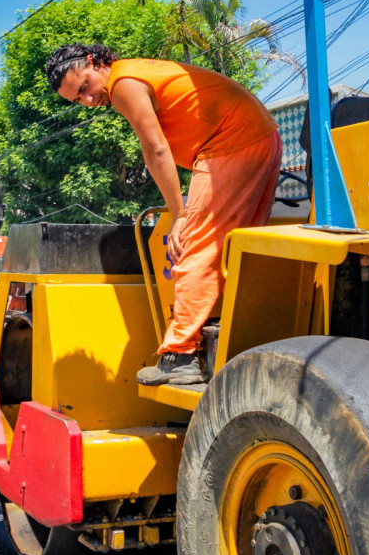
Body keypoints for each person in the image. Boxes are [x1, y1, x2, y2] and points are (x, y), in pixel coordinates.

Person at [45, 43, 281, 386]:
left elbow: (155, 149)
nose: (88, 101)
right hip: (262, 137)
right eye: (77, 100)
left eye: (83, 88)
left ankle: (180, 354)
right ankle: (243, 335)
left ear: (96, 63)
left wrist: (180, 215)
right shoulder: (137, 68)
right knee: (238, 250)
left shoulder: (123, 83)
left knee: (191, 246)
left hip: (232, 142)